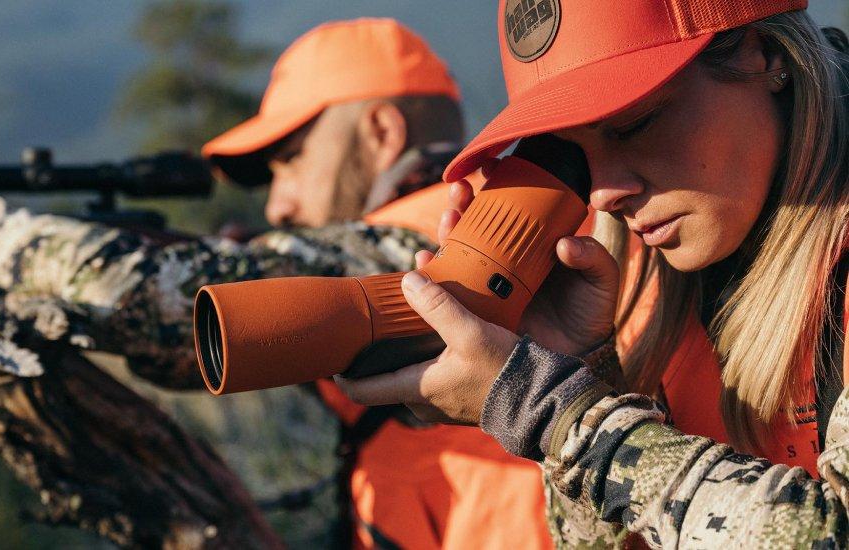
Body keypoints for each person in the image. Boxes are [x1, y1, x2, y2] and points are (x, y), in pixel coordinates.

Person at [0, 19, 553, 549]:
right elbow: (182, 347)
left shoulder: (448, 242)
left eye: (290, 160)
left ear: (380, 130)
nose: (278, 203)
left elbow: (155, 298)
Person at [336, 0, 849, 547]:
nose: (602, 193)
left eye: (633, 125)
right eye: (574, 156)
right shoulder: (648, 288)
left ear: (764, 55)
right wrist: (583, 368)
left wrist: (555, 414)